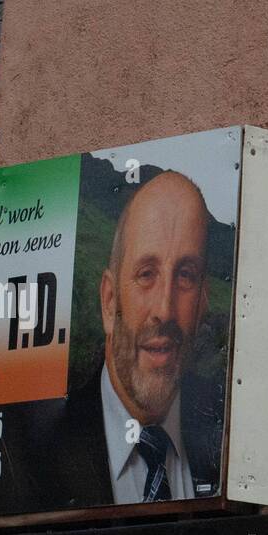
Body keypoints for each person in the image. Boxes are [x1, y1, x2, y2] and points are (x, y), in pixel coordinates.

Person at [46, 170, 224, 508]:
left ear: (203, 301)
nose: (165, 310)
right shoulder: (39, 453)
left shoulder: (228, 434)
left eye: (185, 276)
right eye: (146, 275)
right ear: (110, 299)